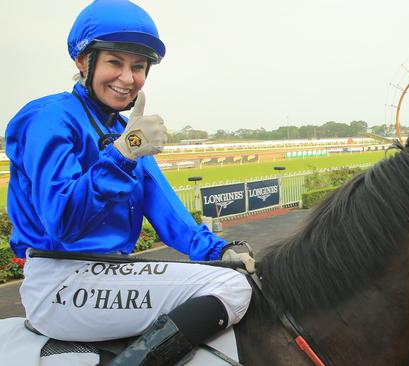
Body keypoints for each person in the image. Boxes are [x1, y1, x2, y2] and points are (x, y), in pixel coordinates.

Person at [5, 1, 253, 364]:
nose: (127, 78)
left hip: (111, 274)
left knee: (228, 273)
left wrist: (219, 251)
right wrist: (124, 152)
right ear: (83, 62)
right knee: (231, 288)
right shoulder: (48, 117)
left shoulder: (124, 131)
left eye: (138, 67)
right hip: (60, 282)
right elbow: (63, 223)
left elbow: (168, 212)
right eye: (114, 63)